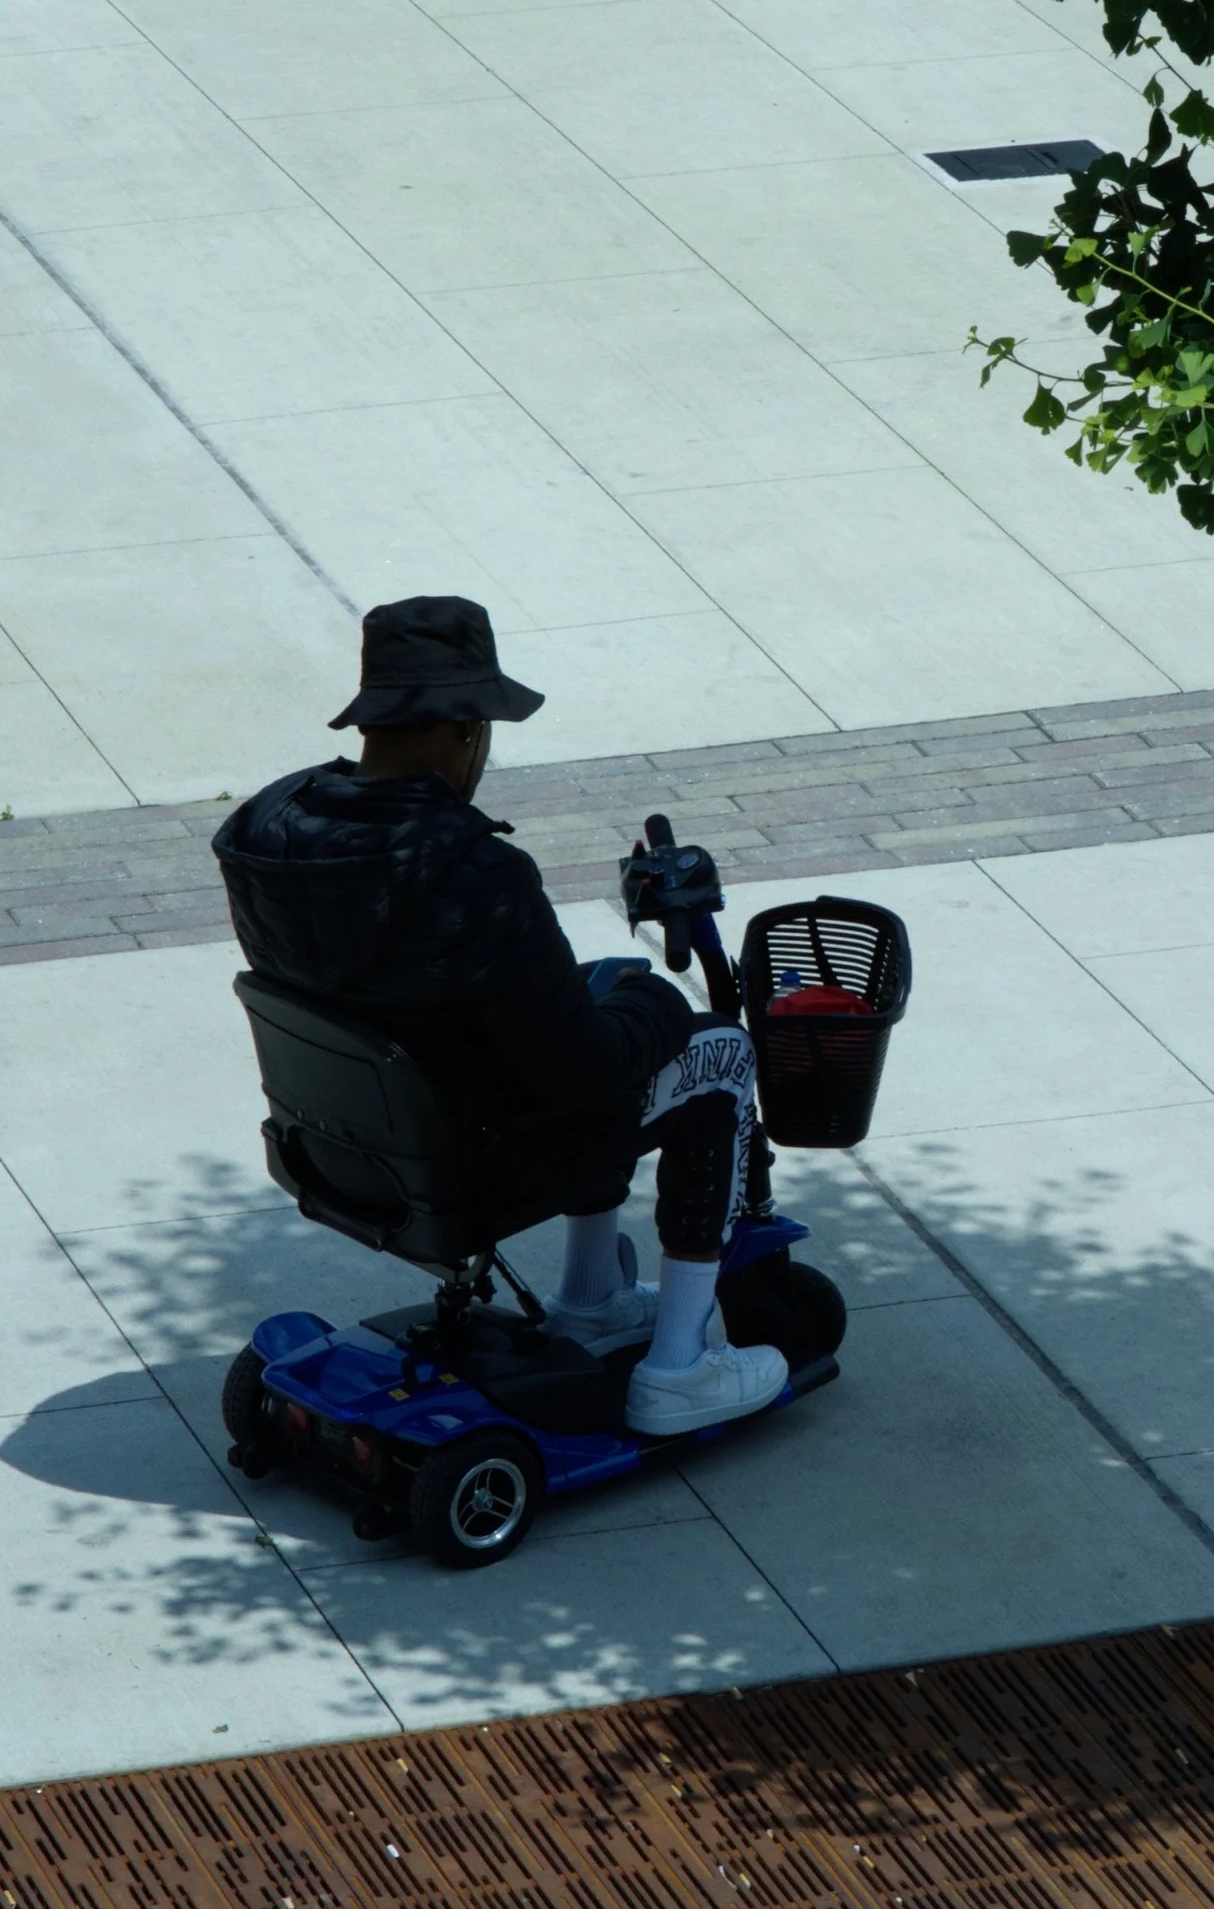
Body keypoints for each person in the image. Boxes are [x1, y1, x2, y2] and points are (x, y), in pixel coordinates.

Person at [213, 593, 785, 1436]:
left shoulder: (263, 827)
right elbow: (582, 1069)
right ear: (467, 730)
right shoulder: (474, 873)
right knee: (720, 1055)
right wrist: (659, 1004)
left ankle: (591, 1302)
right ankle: (678, 1372)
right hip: (478, 1156)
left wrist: (615, 992)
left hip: (349, 1142)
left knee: (604, 985)